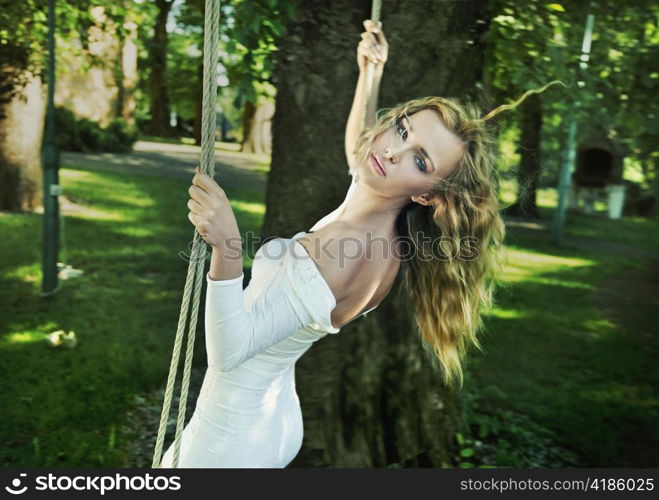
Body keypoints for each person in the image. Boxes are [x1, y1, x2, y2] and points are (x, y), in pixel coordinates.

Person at [160, 19, 558, 468]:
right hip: (271, 416)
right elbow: (362, 150)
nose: (392, 151)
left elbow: (229, 353)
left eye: (420, 160)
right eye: (403, 132)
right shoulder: (376, 224)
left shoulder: (350, 248)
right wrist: (370, 74)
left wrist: (227, 246)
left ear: (427, 195)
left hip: (228, 442)